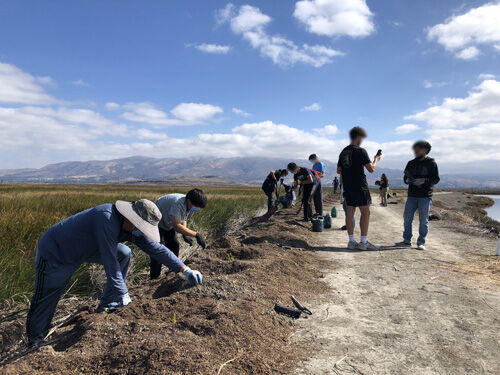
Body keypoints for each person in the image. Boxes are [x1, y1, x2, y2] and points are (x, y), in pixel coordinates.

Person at [26, 199, 203, 346]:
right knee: (48, 295)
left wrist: (184, 269)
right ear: (132, 219)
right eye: (140, 227)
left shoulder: (131, 228)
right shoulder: (106, 218)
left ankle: (107, 303)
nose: (140, 232)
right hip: (57, 252)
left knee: (124, 254)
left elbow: (157, 249)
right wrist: (123, 293)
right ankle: (35, 339)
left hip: (86, 248)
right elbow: (109, 261)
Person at [337, 126, 381, 250]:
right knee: (365, 212)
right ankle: (363, 242)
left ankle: (351, 241)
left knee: (350, 213)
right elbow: (371, 169)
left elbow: (339, 170)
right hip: (360, 186)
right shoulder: (361, 151)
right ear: (359, 137)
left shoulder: (343, 152)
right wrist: (376, 159)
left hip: (348, 186)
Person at [150, 189, 207, 280]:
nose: (197, 209)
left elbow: (183, 219)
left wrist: (185, 234)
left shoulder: (190, 205)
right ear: (189, 201)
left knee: (174, 245)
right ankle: (154, 277)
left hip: (167, 223)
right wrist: (196, 235)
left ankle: (172, 272)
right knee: (159, 249)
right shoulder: (178, 203)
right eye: (197, 206)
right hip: (155, 223)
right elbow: (176, 226)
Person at [396, 141, 440, 250]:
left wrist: (424, 180)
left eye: (418, 149)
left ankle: (421, 242)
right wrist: (408, 180)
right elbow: (405, 178)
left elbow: (436, 179)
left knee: (423, 220)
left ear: (425, 150)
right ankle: (407, 240)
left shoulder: (432, 163)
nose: (415, 151)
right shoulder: (410, 163)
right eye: (415, 149)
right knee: (407, 218)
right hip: (412, 195)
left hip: (425, 196)